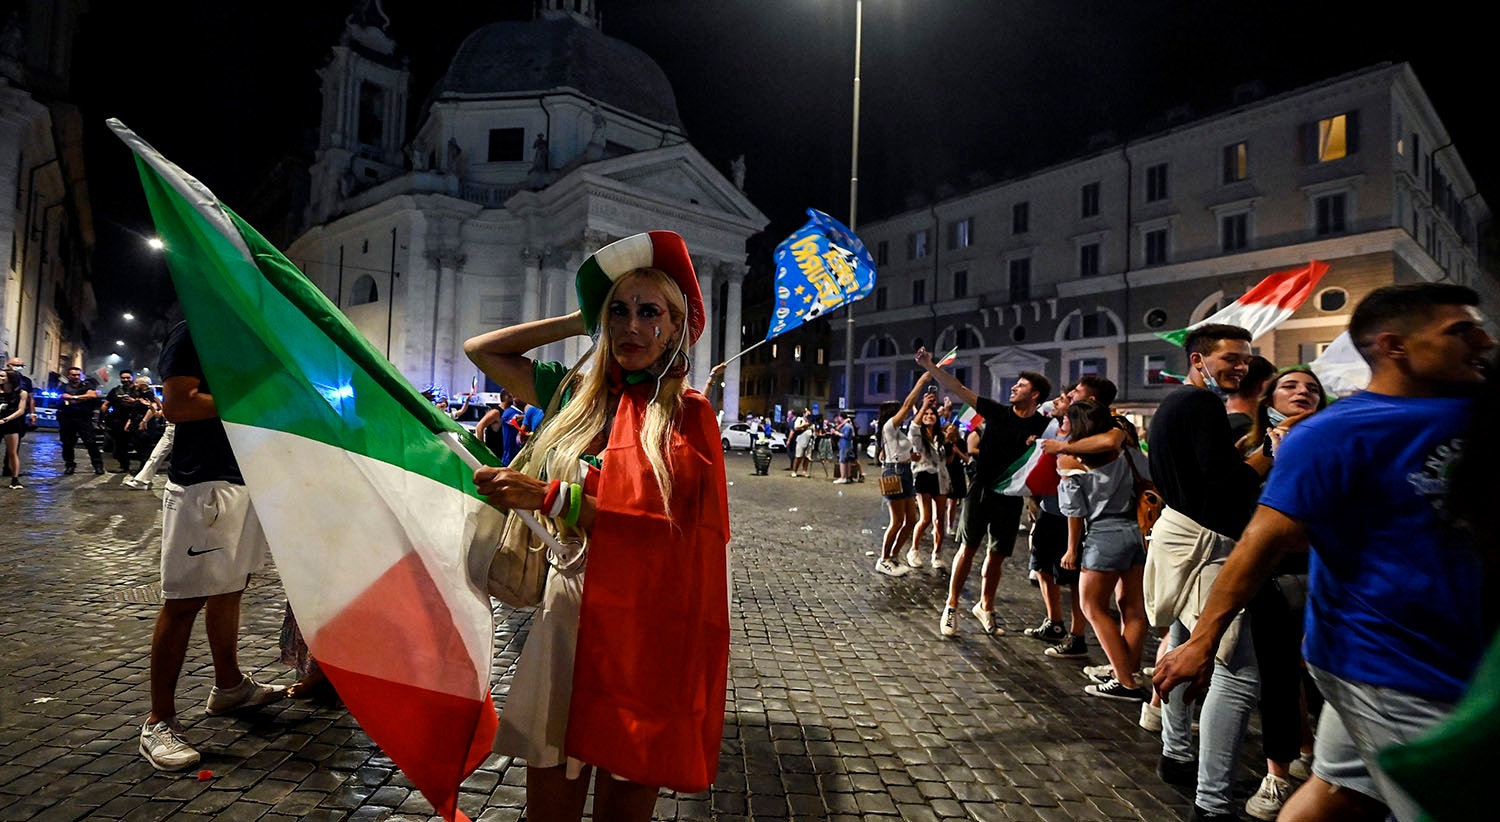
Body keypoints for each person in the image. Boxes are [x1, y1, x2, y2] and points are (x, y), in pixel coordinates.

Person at [1154, 283, 1495, 822]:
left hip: (1446, 655)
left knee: (1338, 791)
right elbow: (1256, 529)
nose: (1482, 339)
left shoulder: (1473, 413)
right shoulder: (1321, 433)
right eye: (1458, 330)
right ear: (1395, 346)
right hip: (1391, 660)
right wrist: (1203, 637)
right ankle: (1204, 788)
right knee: (1236, 677)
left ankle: (1189, 763)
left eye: (1247, 360)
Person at [463, 230, 730, 821]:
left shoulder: (689, 415)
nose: (631, 325)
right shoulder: (575, 397)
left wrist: (553, 497)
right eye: (619, 311)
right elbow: (483, 350)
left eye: (648, 312)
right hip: (567, 618)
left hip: (643, 635)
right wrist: (581, 316)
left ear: (673, 328)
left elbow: (673, 524)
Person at [139, 321, 286, 771]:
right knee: (183, 602)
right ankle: (157, 721)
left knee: (230, 587)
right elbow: (178, 405)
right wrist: (257, 404)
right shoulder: (194, 331)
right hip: (201, 483)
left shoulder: (247, 335)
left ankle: (229, 686)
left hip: (243, 478)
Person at [1237, 365, 1329, 820]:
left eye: (1312, 388)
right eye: (1290, 386)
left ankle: (1319, 756)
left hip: (1328, 575)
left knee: (1319, 676)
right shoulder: (1251, 450)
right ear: (1268, 398)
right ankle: (1276, 774)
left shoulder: (1334, 444)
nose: (1302, 392)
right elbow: (1240, 507)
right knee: (1277, 677)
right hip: (1273, 578)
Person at [916, 349, 1051, 638]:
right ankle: (951, 605)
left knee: (998, 555)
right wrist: (930, 366)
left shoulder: (1043, 425)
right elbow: (958, 388)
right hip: (981, 490)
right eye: (1016, 384)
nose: (1014, 387)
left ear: (1036, 395)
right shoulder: (997, 412)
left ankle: (985, 606)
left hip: (1010, 497)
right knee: (968, 548)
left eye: (1022, 385)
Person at [1057, 400, 1149, 698]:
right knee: (1132, 608)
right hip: (1136, 532)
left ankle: (1126, 681)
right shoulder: (1129, 452)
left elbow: (1075, 510)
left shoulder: (1070, 460)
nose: (1062, 425)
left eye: (1066, 420)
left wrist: (1072, 549)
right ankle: (1128, 671)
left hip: (1104, 535)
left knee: (1092, 606)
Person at [875, 373, 931, 576]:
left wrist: (912, 457)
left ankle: (894, 556)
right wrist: (922, 381)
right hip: (893, 473)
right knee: (897, 520)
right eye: (899, 411)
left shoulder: (897, 433)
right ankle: (883, 559)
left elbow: (901, 450)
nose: (904, 413)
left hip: (904, 471)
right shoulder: (889, 427)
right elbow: (908, 404)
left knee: (911, 519)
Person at [908, 393, 951, 569]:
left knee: (940, 520)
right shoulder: (917, 435)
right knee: (925, 518)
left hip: (940, 479)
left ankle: (937, 554)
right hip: (923, 476)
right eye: (925, 414)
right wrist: (924, 406)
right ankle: (914, 550)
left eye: (932, 414)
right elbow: (913, 426)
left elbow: (946, 461)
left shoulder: (941, 436)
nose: (929, 416)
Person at [58, 365, 105, 475]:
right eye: (73, 375)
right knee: (67, 443)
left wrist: (73, 398)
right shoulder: (63, 386)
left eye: (78, 375)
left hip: (84, 418)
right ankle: (69, 465)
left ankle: (98, 465)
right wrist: (83, 398)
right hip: (67, 418)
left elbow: (92, 395)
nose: (76, 377)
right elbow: (61, 397)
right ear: (69, 376)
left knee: (91, 443)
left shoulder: (87, 385)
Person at [0, 369, 29, 488]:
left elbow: (20, 410)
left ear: (10, 378)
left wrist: (5, 420)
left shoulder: (21, 393)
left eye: (2, 376)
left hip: (11, 424)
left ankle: (15, 480)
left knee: (12, 453)